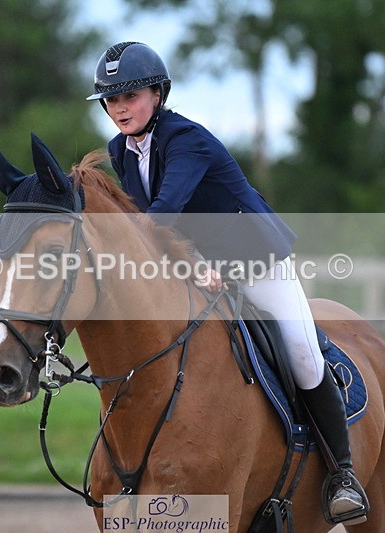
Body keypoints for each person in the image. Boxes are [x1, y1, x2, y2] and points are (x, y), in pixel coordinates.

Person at [86, 41, 368, 526]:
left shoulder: (186, 140)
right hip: (198, 265)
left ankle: (342, 474)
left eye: (129, 96)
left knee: (302, 350)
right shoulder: (121, 151)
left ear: (158, 94)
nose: (119, 109)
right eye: (111, 100)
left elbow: (158, 218)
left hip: (256, 261)